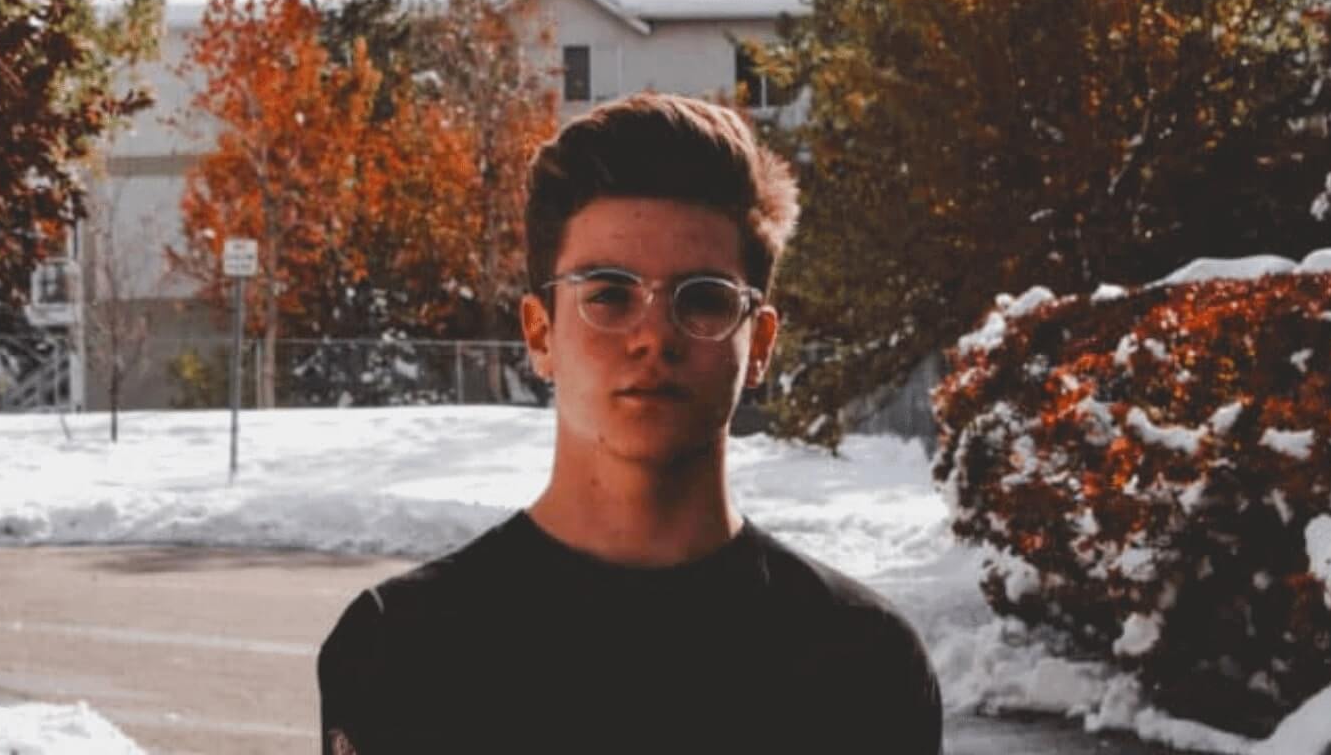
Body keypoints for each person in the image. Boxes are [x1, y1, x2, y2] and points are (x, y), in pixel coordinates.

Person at [318, 93, 943, 754]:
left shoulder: (862, 664)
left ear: (758, 343)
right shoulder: (405, 648)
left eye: (702, 298)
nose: (654, 336)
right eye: (609, 294)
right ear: (539, 333)